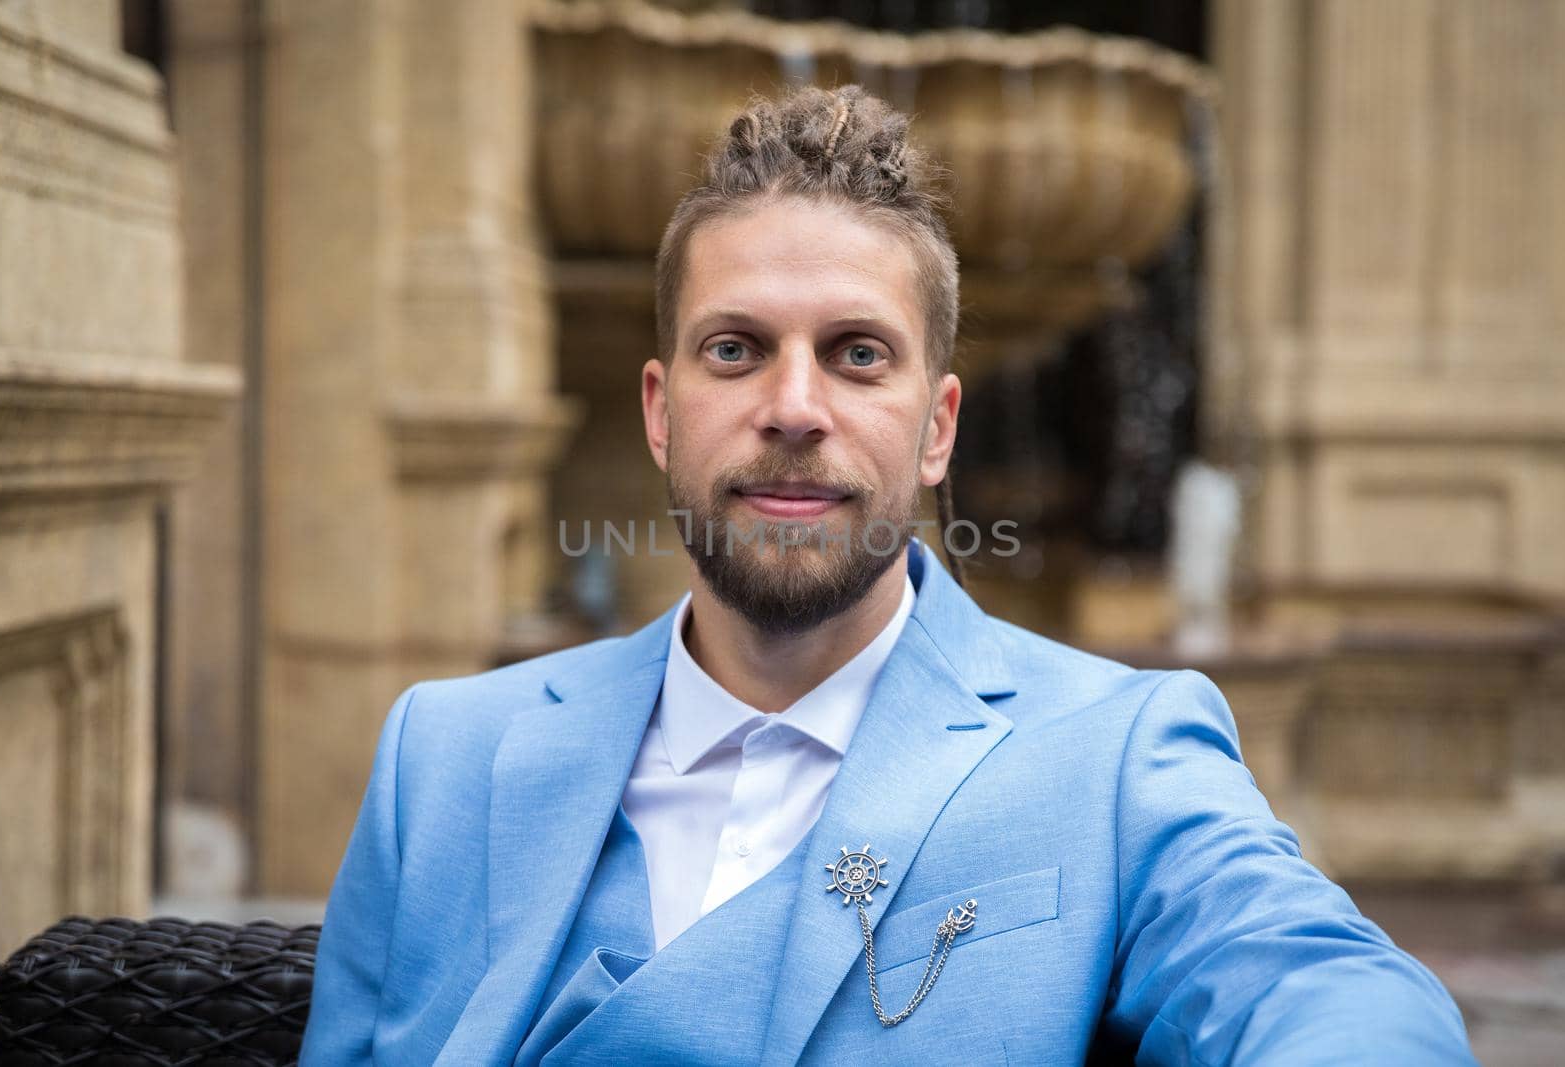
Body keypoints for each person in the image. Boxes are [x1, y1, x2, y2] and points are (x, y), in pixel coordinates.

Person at [299, 84, 1476, 1066]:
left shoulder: (1118, 756)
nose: (794, 408)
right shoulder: (441, 757)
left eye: (857, 356)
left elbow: (1322, 988)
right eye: (736, 349)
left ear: (936, 428)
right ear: (662, 409)